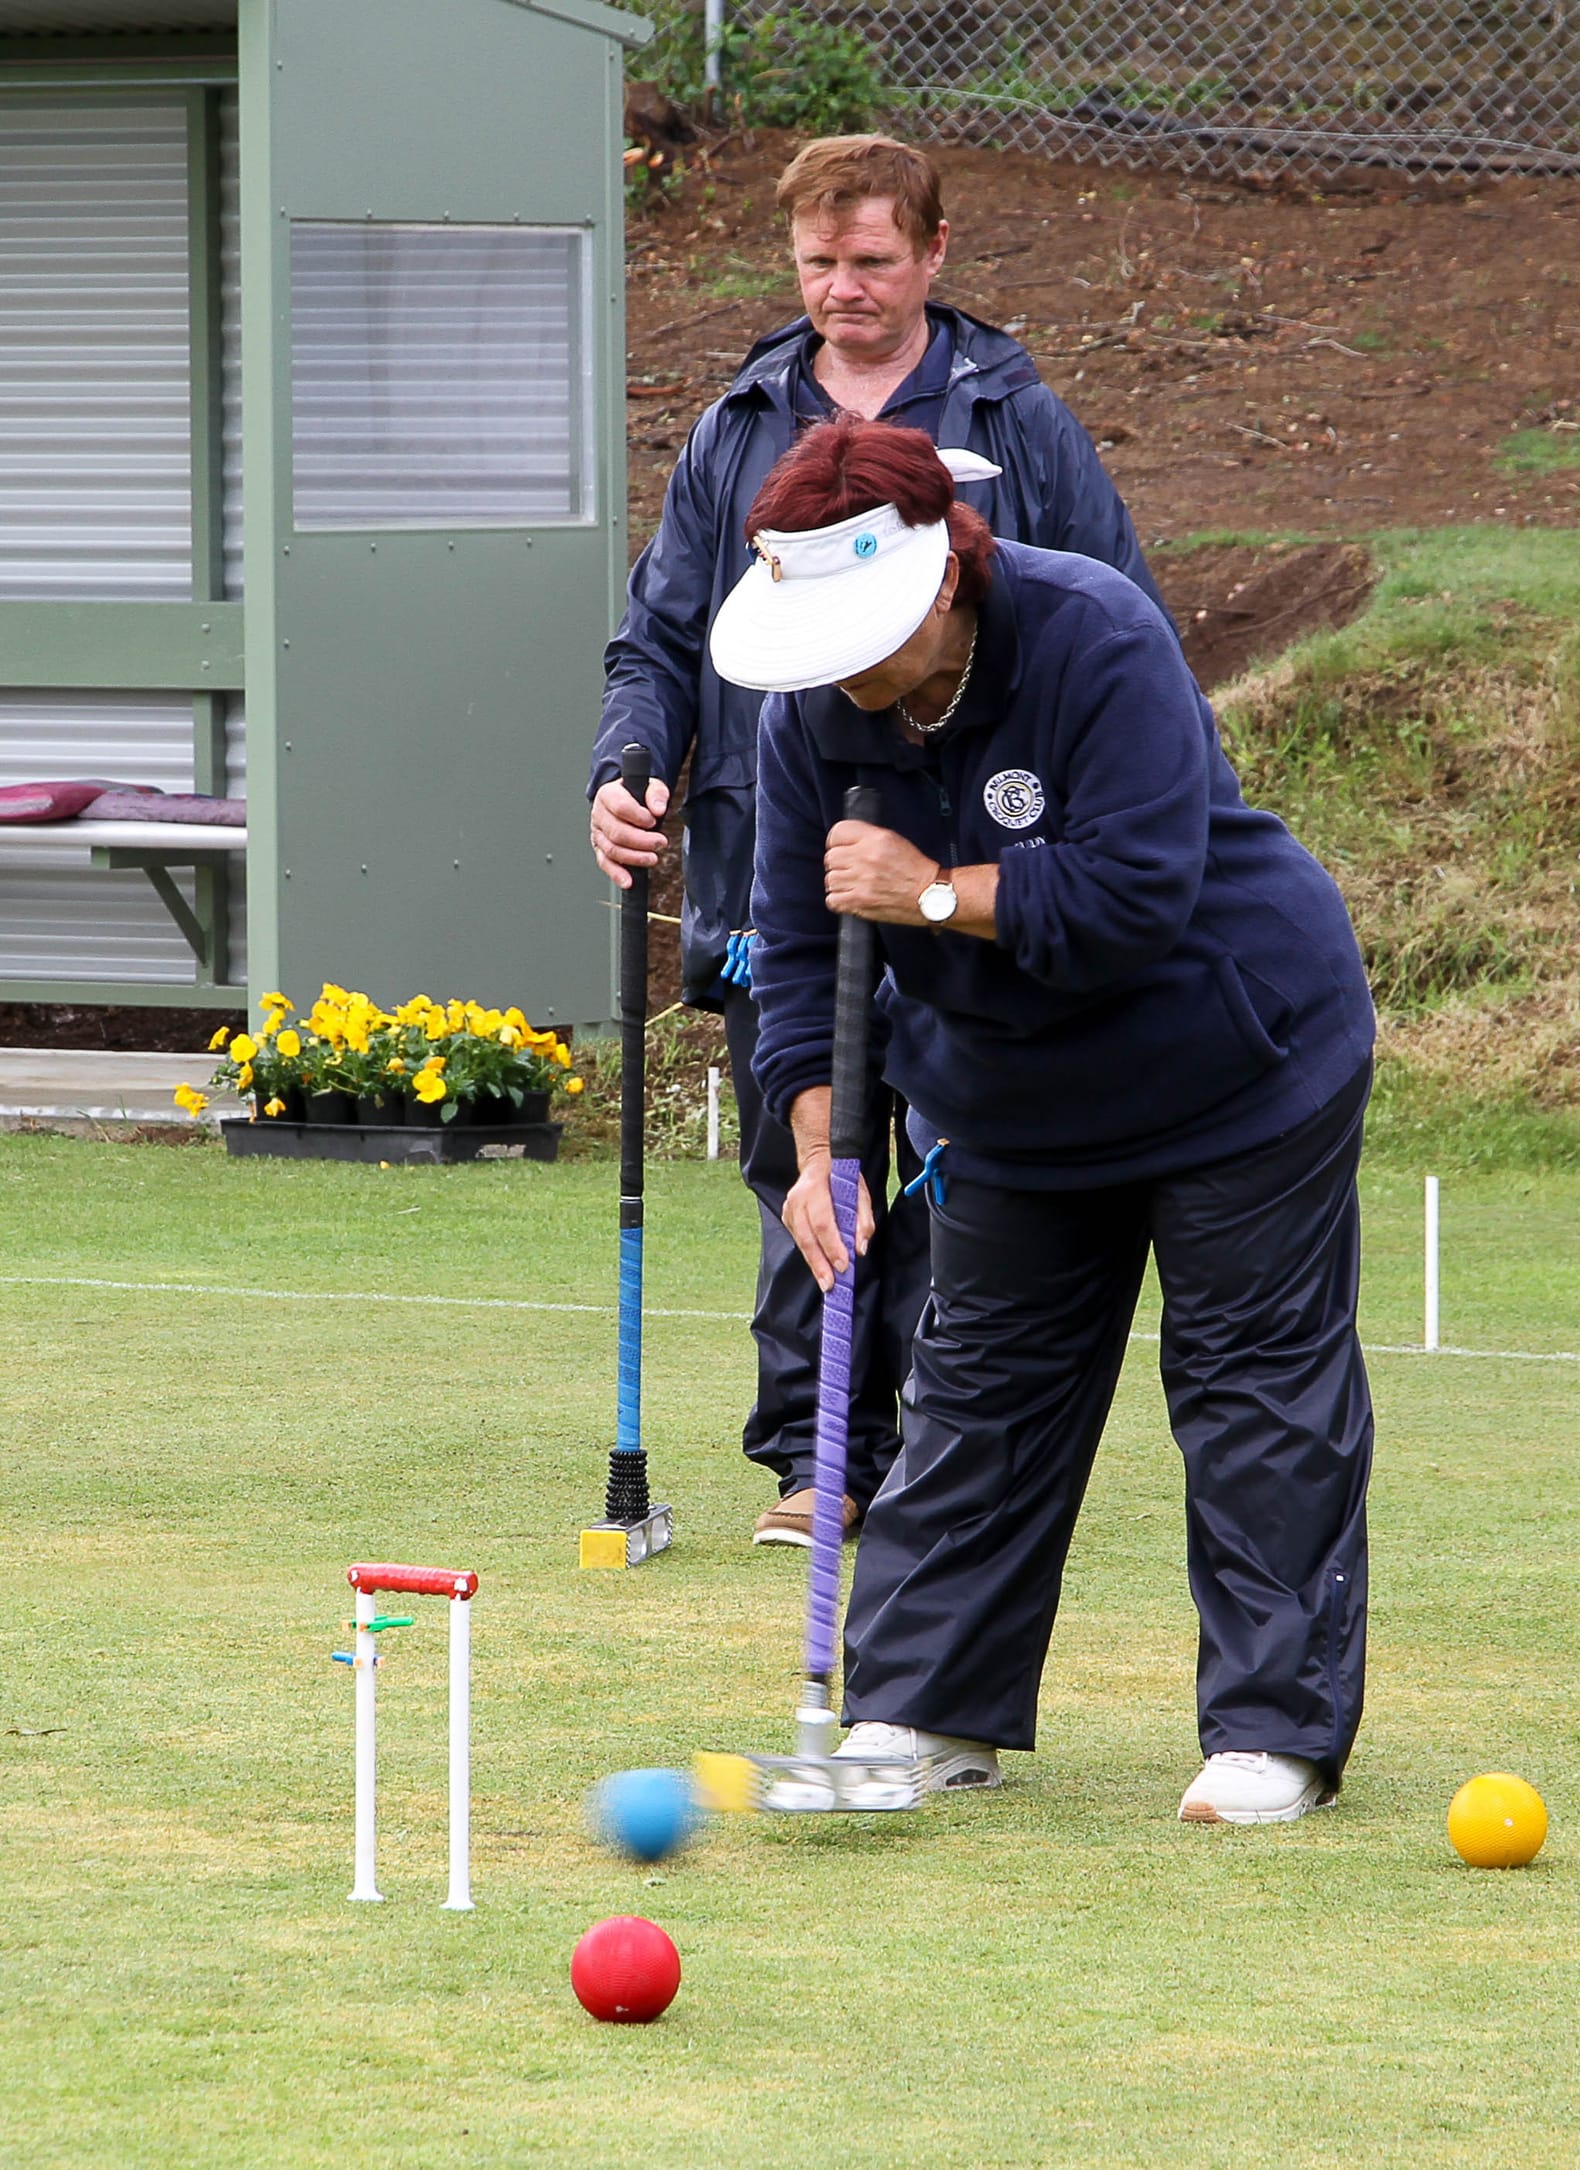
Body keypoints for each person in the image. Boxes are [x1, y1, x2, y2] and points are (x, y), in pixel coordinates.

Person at [713, 416, 1377, 1825]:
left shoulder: (1096, 636)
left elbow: (1136, 896)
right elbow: (786, 949)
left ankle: (1273, 1731)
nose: (844, 675)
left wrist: (936, 891)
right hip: (1012, 1105)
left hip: (1240, 1063)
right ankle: (921, 1706)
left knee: (1253, 1391)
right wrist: (822, 1144)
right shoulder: (807, 713)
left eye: (865, 635)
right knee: (982, 1397)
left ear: (947, 575)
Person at [590, 134, 1165, 1550]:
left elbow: (1116, 608)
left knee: (958, 1160)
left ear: (934, 255)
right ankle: (819, 1452)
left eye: (872, 260)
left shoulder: (1013, 413)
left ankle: (944, 1442)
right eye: (817, 263)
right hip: (777, 849)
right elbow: (663, 634)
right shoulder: (741, 423)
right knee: (813, 1149)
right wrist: (629, 765)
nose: (843, 289)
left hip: (978, 859)